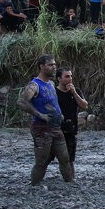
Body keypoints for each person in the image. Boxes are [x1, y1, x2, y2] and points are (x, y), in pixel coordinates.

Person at [16, 55, 73, 185]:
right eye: (50, 65)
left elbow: (52, 102)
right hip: (41, 128)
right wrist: (40, 115)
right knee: (42, 161)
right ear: (42, 66)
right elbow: (21, 101)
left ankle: (69, 183)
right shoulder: (34, 85)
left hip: (56, 127)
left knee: (65, 158)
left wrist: (60, 114)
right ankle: (34, 185)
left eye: (54, 65)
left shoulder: (51, 84)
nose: (54, 67)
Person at [55, 67, 88, 177]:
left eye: (71, 76)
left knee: (70, 158)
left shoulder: (76, 91)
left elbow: (84, 106)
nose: (70, 79)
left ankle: (70, 179)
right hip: (55, 129)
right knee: (47, 157)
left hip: (71, 128)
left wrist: (74, 92)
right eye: (67, 76)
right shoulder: (54, 92)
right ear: (59, 78)